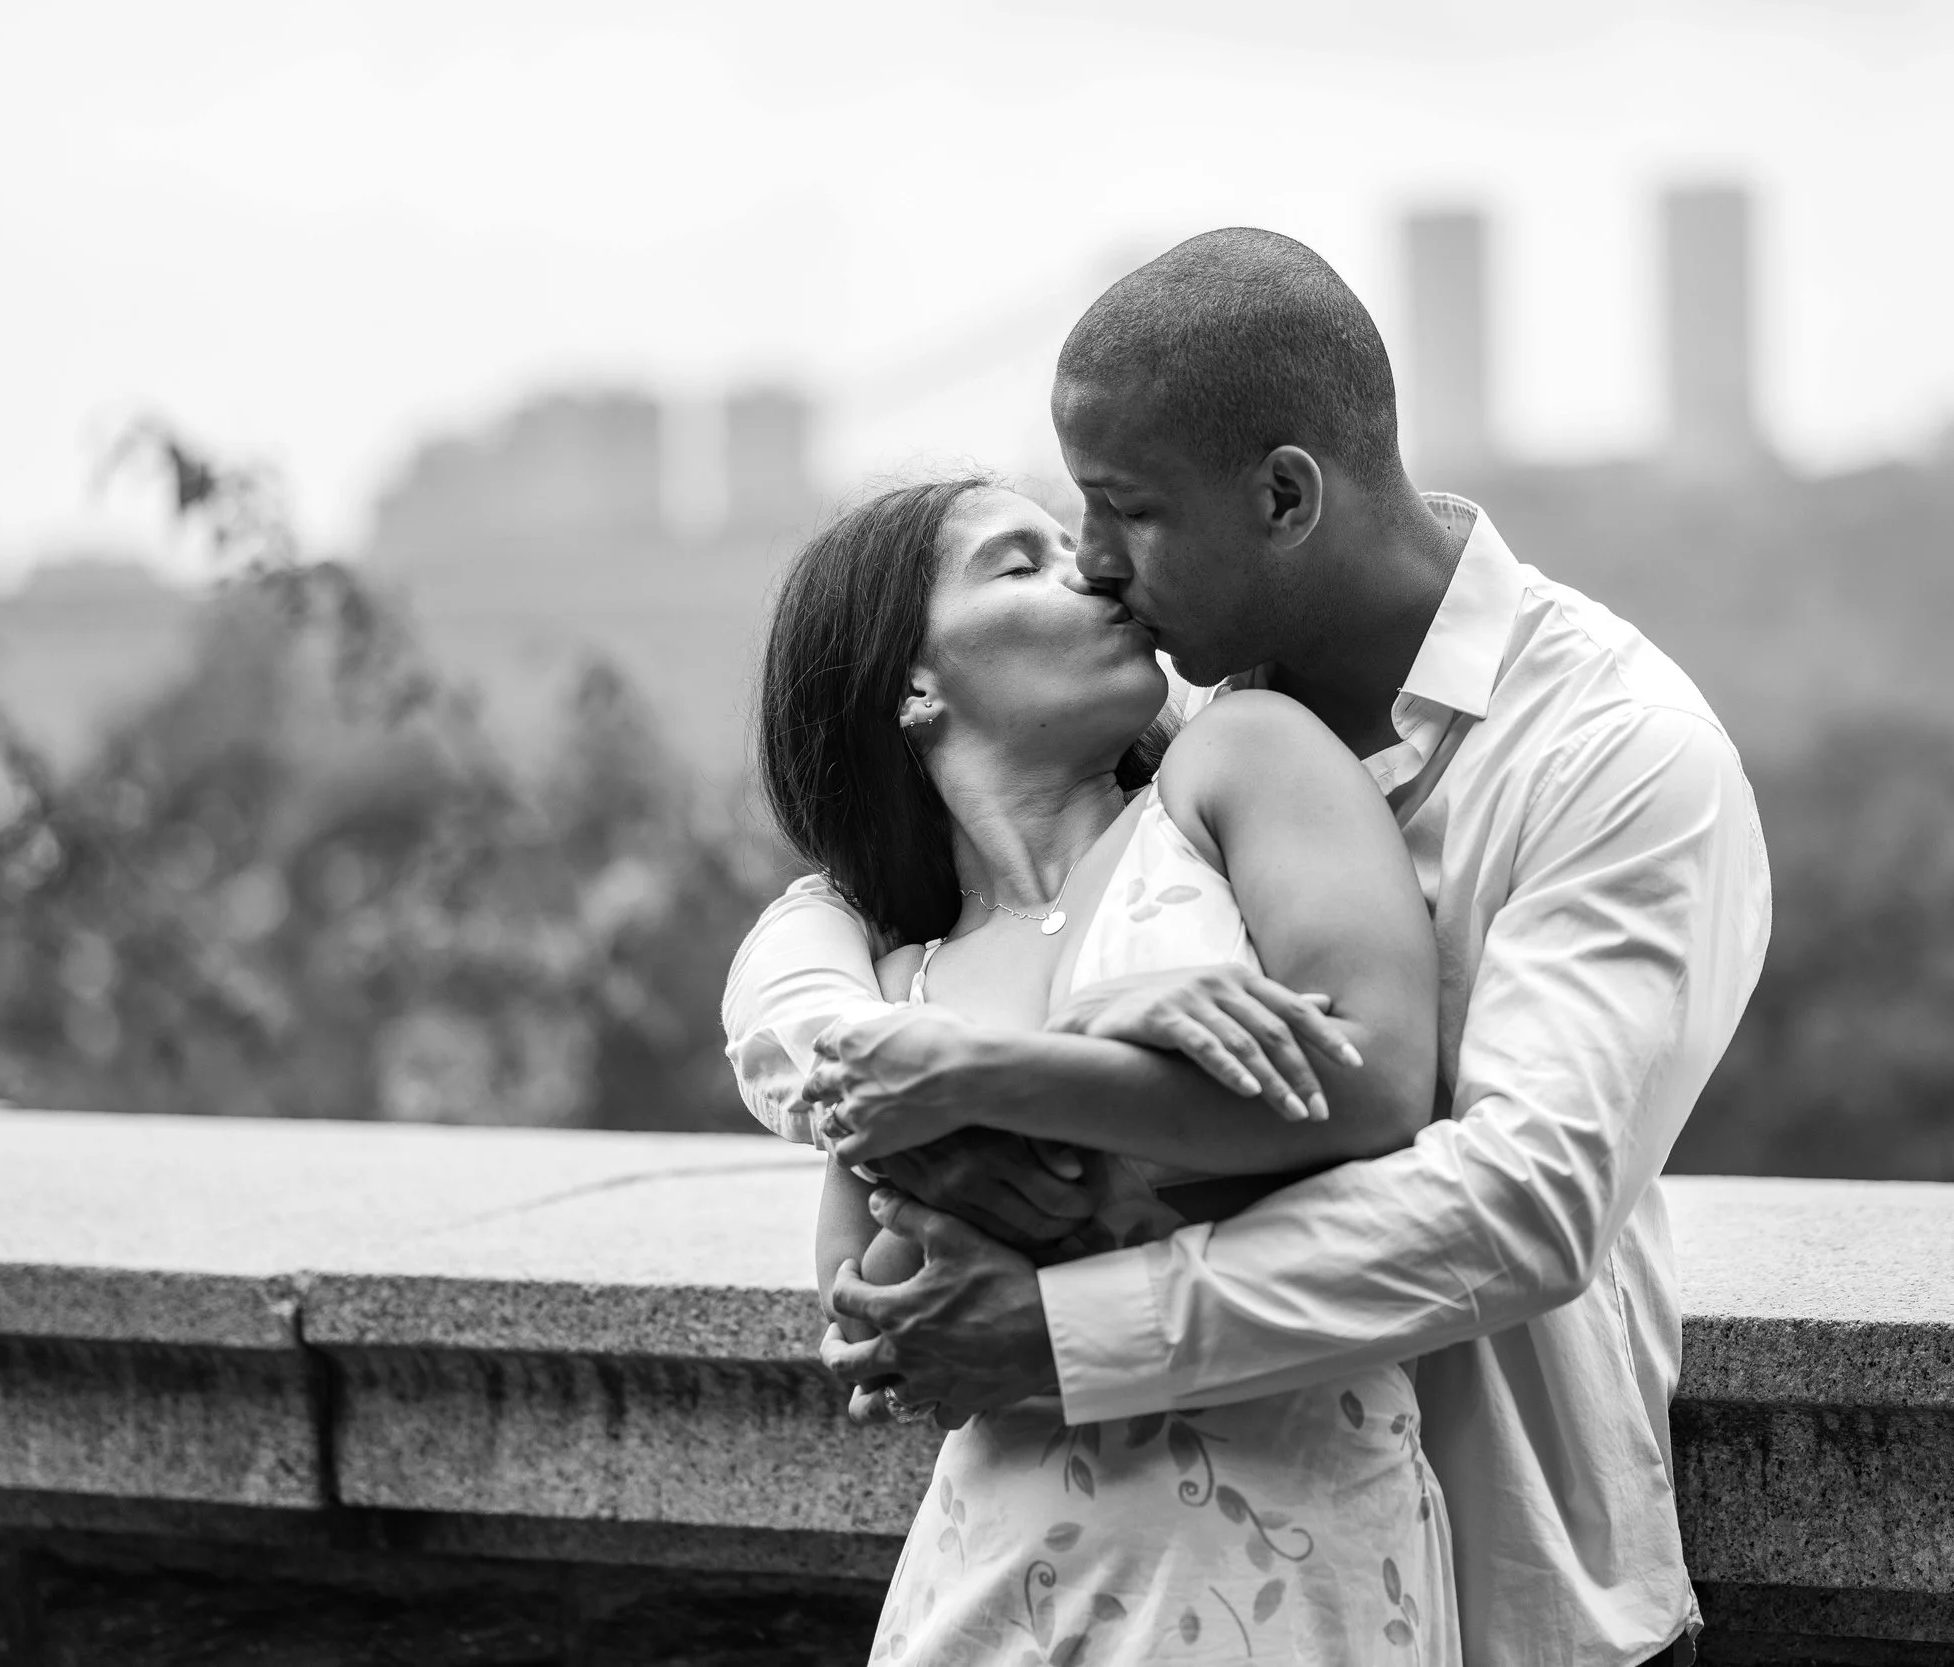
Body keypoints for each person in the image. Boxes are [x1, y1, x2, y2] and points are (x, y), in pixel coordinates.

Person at [724, 228, 1773, 1667]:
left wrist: (1064, 1332)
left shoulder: (1617, 755)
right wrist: (897, 1057)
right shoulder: (1159, 755)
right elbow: (845, 932)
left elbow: (1526, 1199)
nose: (1095, 564)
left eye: (1123, 509)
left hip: (1517, 1591)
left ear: (1283, 496)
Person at [763, 474, 1461, 1662]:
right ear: (912, 683)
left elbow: (1372, 1086)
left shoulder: (1237, 764)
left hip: (1292, 1567)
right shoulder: (900, 981)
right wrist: (1102, 1029)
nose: (1090, 568)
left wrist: (985, 1098)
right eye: (1019, 562)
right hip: (984, 1598)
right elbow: (879, 1326)